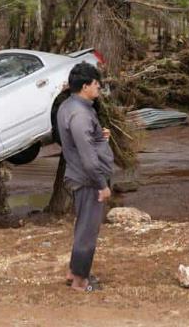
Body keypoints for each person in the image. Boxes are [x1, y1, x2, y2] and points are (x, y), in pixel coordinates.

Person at [56, 61, 113, 292]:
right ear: (85, 86)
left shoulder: (69, 107)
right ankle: (80, 282)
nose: (99, 87)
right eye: (96, 83)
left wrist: (100, 136)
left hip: (81, 176)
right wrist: (102, 185)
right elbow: (88, 158)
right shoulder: (79, 115)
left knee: (83, 227)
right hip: (88, 179)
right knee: (88, 230)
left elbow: (81, 140)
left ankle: (74, 272)